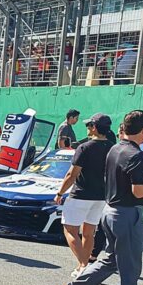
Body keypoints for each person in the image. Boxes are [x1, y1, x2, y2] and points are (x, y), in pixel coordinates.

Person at [58, 110, 143, 285]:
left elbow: (122, 179)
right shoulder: (138, 154)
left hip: (110, 211)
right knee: (130, 268)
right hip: (126, 214)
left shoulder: (116, 149)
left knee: (110, 261)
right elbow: (137, 191)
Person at [54, 113, 112, 276]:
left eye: (88, 125)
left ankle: (84, 265)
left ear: (94, 127)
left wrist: (60, 192)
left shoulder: (84, 147)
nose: (87, 128)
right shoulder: (111, 147)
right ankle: (82, 268)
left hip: (80, 194)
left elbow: (71, 175)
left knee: (70, 230)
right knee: (89, 232)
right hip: (101, 196)